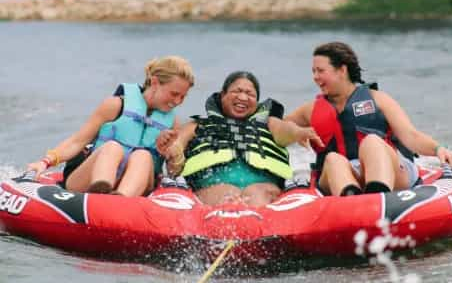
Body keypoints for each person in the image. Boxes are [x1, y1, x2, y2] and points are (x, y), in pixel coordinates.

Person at [285, 42, 452, 196]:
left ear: (342, 71)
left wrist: (437, 149)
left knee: (372, 142)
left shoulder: (378, 99)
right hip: (345, 175)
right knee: (332, 159)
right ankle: (351, 203)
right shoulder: (310, 110)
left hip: (390, 171)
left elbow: (410, 135)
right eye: (313, 71)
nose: (315, 77)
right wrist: (295, 131)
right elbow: (276, 128)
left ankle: (379, 194)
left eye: (321, 71)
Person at [27, 56, 195, 197]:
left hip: (134, 188)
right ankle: (101, 190)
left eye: (183, 97)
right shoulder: (115, 105)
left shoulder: (172, 124)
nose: (178, 101)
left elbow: (173, 172)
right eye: (174, 94)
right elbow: (77, 141)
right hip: (88, 179)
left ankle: (119, 201)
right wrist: (45, 162)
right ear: (155, 82)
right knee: (112, 148)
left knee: (143, 155)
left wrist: (170, 153)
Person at [157, 71, 321, 207]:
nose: (243, 97)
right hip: (214, 186)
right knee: (227, 195)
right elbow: (179, 142)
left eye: (250, 94)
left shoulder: (269, 123)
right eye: (237, 91)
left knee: (258, 194)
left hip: (263, 187)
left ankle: (256, 230)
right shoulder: (198, 124)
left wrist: (299, 132)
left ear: (256, 102)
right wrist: (174, 150)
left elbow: (285, 130)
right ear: (223, 95)